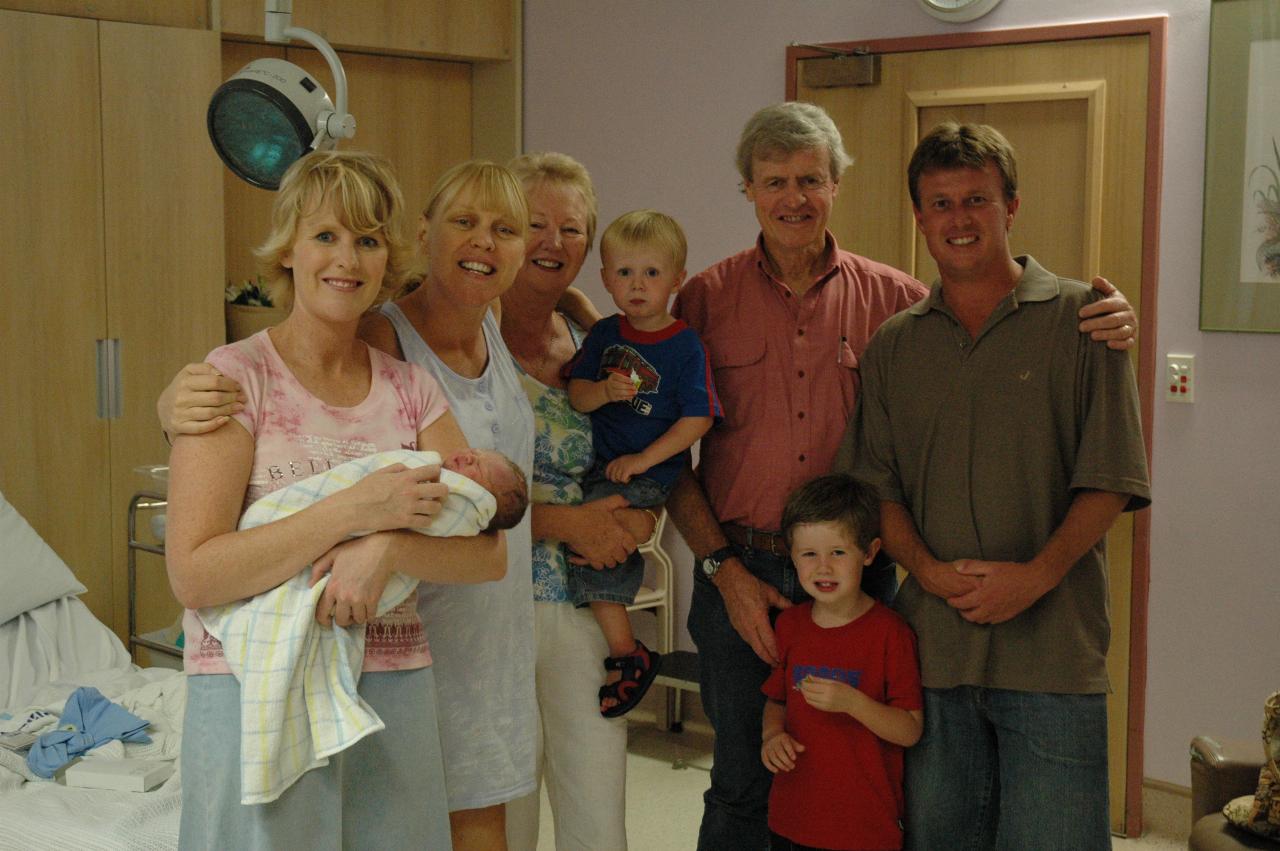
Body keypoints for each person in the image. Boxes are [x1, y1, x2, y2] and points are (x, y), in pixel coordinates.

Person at [663, 100, 1140, 849]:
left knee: (864, 782)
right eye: (775, 180)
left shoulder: (899, 305)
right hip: (745, 575)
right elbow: (667, 448)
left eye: (811, 179)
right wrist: (723, 571)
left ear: (836, 187)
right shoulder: (703, 301)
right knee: (744, 781)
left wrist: (1118, 321)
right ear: (747, 189)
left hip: (873, 585)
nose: (794, 197)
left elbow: (979, 422)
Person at [162, 159, 539, 851]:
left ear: (388, 258)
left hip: (389, 684)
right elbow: (194, 573)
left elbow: (487, 550)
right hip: (255, 685)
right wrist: (356, 510)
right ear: (288, 250)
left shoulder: (410, 390)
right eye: (326, 236)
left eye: (367, 241)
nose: (347, 258)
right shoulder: (234, 379)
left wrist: (387, 547)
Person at [845, 122, 1151, 851]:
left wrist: (1035, 577)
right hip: (934, 650)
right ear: (919, 219)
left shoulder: (1085, 323)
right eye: (940, 203)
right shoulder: (895, 344)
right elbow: (877, 483)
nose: (959, 219)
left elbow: (1110, 479)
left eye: (976, 199)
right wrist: (925, 570)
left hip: (1053, 651)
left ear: (1011, 205)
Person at [500, 152, 656, 850]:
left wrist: (642, 515)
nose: (553, 242)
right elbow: (436, 489)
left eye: (572, 228)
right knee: (502, 808)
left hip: (586, 602)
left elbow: (648, 449)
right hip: (488, 603)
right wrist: (569, 524)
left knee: (597, 809)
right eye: (534, 223)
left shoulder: (597, 343)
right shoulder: (456, 338)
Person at [566, 209, 720, 717]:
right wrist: (602, 391)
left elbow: (697, 420)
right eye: (625, 272)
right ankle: (622, 647)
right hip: (599, 467)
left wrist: (643, 460)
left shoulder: (684, 345)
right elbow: (576, 395)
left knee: (593, 538)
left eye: (652, 273)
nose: (638, 285)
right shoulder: (606, 335)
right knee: (584, 541)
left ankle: (626, 652)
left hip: (649, 476)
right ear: (607, 278)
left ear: (676, 280)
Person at [761, 473, 922, 851]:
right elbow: (776, 701)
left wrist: (853, 703)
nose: (824, 567)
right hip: (793, 820)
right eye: (809, 554)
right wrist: (771, 736)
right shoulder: (790, 626)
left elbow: (911, 729)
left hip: (864, 828)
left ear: (869, 553)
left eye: (838, 552)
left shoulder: (891, 633)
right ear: (792, 556)